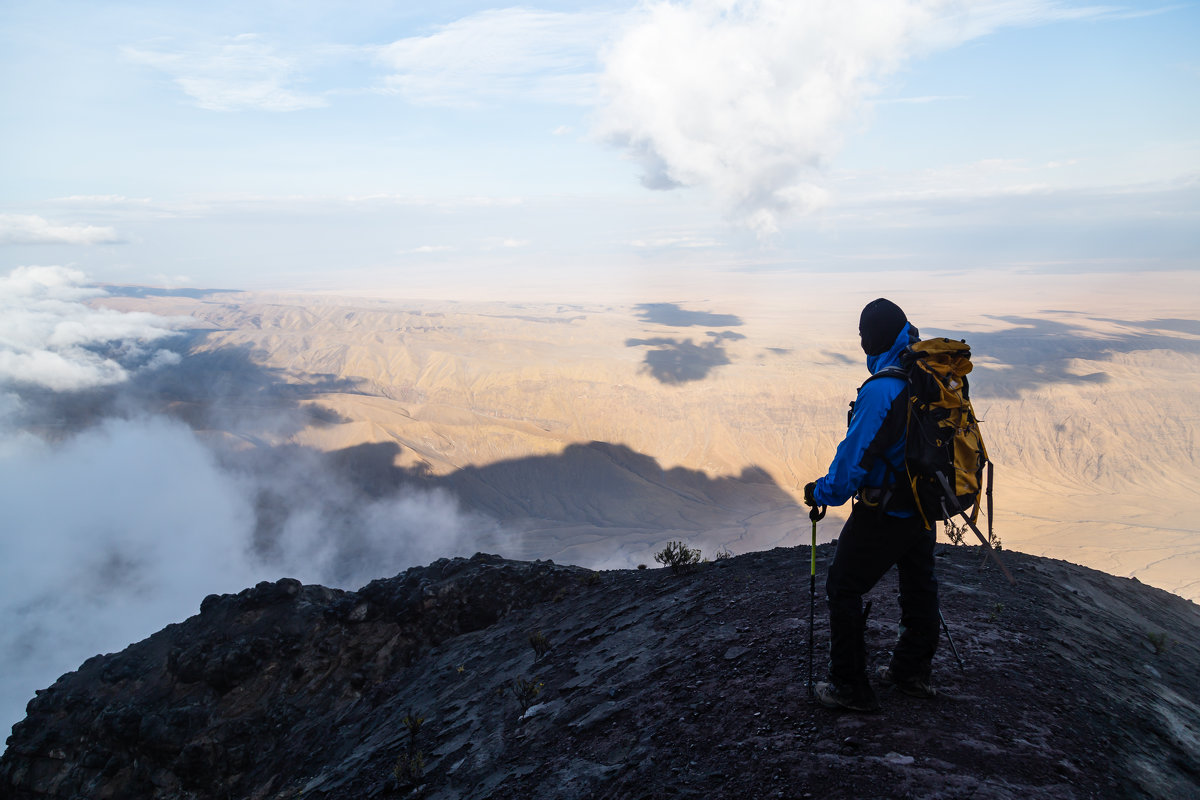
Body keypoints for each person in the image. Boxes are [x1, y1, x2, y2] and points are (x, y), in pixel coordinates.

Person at [803, 298, 939, 712]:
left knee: (842, 585)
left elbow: (851, 464)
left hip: (886, 509)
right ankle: (910, 673)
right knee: (919, 586)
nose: (860, 340)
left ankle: (849, 687)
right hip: (924, 504)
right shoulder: (924, 373)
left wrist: (820, 492)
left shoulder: (883, 389)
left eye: (863, 333)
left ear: (874, 337)